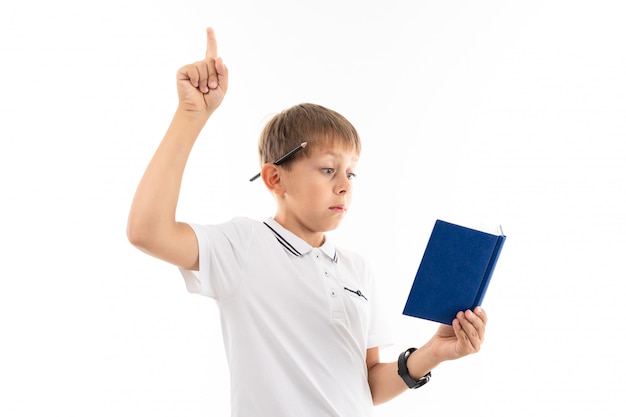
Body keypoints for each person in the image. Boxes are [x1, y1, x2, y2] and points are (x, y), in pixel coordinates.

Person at [127, 27, 488, 417]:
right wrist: (190, 115)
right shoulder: (243, 245)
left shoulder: (357, 269)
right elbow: (148, 231)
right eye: (328, 169)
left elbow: (369, 385)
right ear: (275, 178)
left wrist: (435, 351)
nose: (343, 186)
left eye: (351, 173)